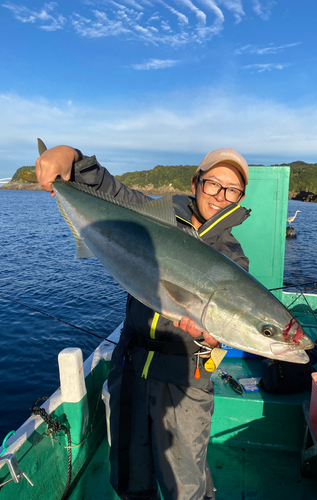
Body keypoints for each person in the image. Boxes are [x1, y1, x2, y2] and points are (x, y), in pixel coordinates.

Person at [36, 146, 251, 500]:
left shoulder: (232, 258)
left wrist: (215, 340)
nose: (221, 196)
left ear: (240, 198)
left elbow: (232, 322)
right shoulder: (156, 216)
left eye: (232, 190)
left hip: (185, 381)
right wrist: (71, 158)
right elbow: (109, 190)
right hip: (131, 366)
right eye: (214, 184)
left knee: (185, 485)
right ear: (196, 183)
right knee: (130, 476)